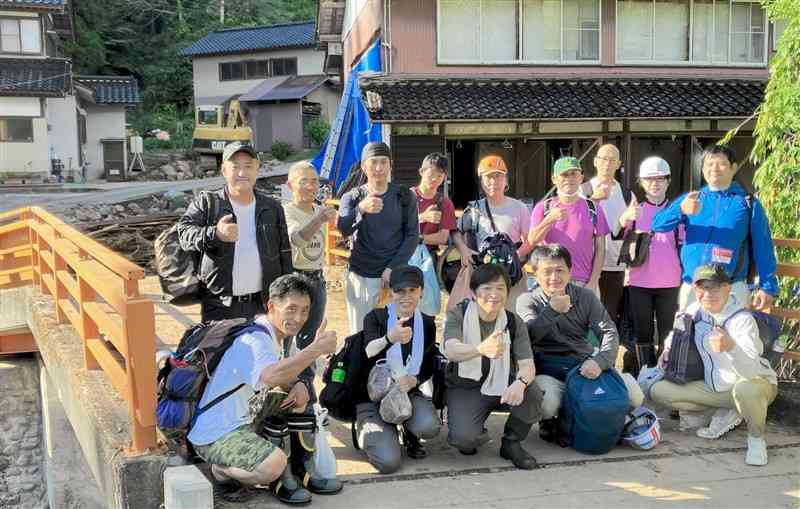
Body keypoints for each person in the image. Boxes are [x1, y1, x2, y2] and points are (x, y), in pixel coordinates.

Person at [187, 274, 342, 505]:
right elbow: (270, 376)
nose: (298, 318)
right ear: (272, 305)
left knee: (299, 400)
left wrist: (298, 383)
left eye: (305, 310)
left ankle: (300, 469)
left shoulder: (274, 335)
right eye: (291, 309)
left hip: (245, 415)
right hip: (216, 433)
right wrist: (315, 349)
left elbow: (281, 375)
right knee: (273, 464)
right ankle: (222, 471)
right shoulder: (255, 340)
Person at [650, 264, 778, 466]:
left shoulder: (742, 319)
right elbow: (673, 337)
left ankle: (756, 439)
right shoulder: (693, 311)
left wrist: (731, 347)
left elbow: (752, 372)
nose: (709, 293)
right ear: (695, 290)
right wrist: (666, 352)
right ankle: (726, 411)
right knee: (659, 390)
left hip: (754, 384)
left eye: (715, 287)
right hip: (716, 387)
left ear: (728, 288)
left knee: (746, 391)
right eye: (703, 288)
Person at [516, 244, 643, 437]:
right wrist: (552, 311)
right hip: (549, 370)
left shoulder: (585, 296)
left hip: (584, 366)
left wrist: (600, 362)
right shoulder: (527, 300)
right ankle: (552, 422)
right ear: (535, 273)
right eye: (547, 271)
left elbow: (608, 331)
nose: (554, 277)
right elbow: (527, 336)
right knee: (547, 405)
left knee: (635, 395)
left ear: (570, 271)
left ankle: (603, 417)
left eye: (560, 270)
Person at [651, 145, 779, 311]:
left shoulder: (748, 203)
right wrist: (680, 209)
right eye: (709, 164)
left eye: (721, 164)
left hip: (731, 289)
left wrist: (767, 287)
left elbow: (764, 247)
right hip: (693, 289)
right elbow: (657, 225)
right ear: (703, 168)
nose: (714, 169)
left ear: (733, 168)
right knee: (689, 336)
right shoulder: (692, 199)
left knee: (731, 337)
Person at [177, 141, 293, 322]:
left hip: (264, 305)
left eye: (248, 166)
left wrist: (286, 296)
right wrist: (215, 234)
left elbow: (285, 253)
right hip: (220, 305)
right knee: (221, 351)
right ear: (224, 170)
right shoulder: (208, 203)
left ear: (257, 169)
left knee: (265, 350)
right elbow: (183, 234)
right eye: (235, 167)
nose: (242, 173)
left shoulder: (273, 208)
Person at [444, 263, 543, 470]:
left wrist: (521, 382)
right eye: (487, 288)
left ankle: (511, 442)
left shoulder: (513, 322)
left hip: (502, 384)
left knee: (532, 391)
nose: (494, 294)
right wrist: (480, 349)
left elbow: (527, 365)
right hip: (466, 386)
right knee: (464, 440)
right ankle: (476, 433)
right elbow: (451, 350)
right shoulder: (458, 314)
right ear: (474, 292)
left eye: (500, 288)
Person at [356, 265, 442, 474]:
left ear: (421, 291)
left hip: (405, 392)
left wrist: (415, 380)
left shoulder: (427, 323)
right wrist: (390, 338)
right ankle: (366, 426)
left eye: (412, 290)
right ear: (391, 291)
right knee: (388, 463)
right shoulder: (376, 317)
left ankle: (408, 430)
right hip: (373, 395)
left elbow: (429, 363)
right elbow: (368, 351)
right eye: (400, 291)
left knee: (429, 426)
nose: (406, 297)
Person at [337, 142, 419, 334]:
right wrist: (361, 210)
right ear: (364, 166)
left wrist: (392, 268)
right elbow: (343, 229)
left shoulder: (404, 196)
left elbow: (413, 235)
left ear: (391, 164)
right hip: (361, 275)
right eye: (373, 162)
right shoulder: (352, 197)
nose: (378, 168)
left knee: (395, 333)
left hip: (395, 277)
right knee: (361, 333)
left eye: (383, 162)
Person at [619, 157, 682, 374]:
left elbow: (684, 244)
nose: (655, 184)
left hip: (670, 282)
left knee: (667, 332)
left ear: (668, 181)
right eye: (649, 179)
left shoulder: (677, 210)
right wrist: (623, 219)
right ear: (642, 182)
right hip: (639, 281)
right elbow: (617, 237)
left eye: (660, 179)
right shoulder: (635, 210)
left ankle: (665, 373)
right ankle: (645, 374)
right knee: (642, 331)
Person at [455, 155, 533, 311]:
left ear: (506, 180)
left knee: (513, 320)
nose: (493, 182)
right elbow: (456, 233)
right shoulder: (473, 209)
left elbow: (529, 240)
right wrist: (463, 250)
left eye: (498, 176)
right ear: (481, 181)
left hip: (512, 276)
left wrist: (515, 256)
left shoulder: (519, 208)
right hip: (482, 276)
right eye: (488, 177)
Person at [529, 156, 610, 297]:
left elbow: (601, 249)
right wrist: (549, 219)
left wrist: (593, 282)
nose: (569, 178)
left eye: (574, 174)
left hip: (584, 283)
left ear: (581, 177)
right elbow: (532, 240)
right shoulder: (543, 208)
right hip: (551, 282)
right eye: (564, 174)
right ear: (554, 179)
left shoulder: (594, 208)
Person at [283, 161, 338, 361]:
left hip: (318, 278)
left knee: (310, 337)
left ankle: (304, 381)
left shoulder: (319, 210)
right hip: (295, 279)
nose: (310, 187)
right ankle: (283, 379)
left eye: (314, 182)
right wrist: (319, 221)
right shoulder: (287, 212)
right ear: (290, 186)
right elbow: (296, 239)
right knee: (287, 335)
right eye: (303, 181)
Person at [579, 144, 631, 325]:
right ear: (595, 162)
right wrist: (593, 200)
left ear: (618, 164)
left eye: (612, 160)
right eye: (603, 159)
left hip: (615, 264)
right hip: (587, 263)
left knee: (609, 315)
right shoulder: (582, 190)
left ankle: (607, 351)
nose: (607, 163)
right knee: (585, 313)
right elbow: (575, 221)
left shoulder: (627, 194)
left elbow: (631, 230)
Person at [413, 152, 457, 264]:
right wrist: (423, 217)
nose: (434, 179)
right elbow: (395, 225)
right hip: (403, 255)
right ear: (421, 172)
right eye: (431, 173)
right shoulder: (406, 196)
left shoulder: (445, 203)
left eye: (439, 175)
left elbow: (443, 237)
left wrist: (419, 239)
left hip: (428, 259)